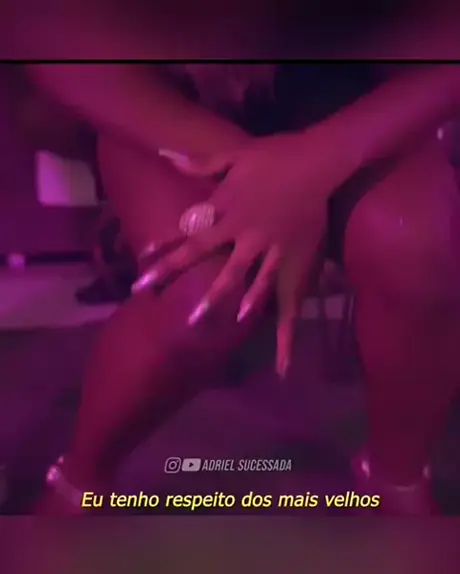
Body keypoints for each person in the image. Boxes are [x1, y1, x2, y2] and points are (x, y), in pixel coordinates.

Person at [11, 2, 460, 515]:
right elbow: (40, 31)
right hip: (163, 90)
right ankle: (79, 486)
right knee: (203, 296)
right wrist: (269, 180)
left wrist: (317, 162)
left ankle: (397, 483)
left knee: (418, 253)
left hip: (349, 84)